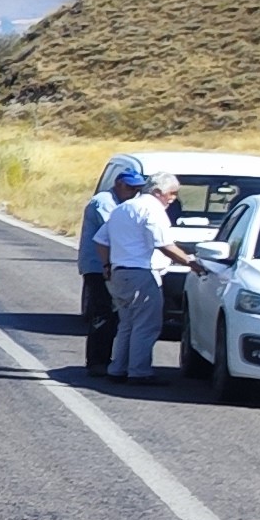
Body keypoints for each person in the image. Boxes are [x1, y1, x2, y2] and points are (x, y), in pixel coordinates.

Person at [100, 163, 196, 383]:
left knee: (127, 324)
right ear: (157, 192)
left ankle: (118, 368)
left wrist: (107, 266)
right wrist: (192, 263)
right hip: (141, 273)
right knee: (146, 325)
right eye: (171, 193)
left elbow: (100, 240)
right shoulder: (153, 210)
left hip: (119, 272)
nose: (173, 198)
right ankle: (139, 371)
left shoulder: (123, 208)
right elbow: (164, 245)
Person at [77, 155, 143, 373]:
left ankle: (107, 359)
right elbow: (115, 232)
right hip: (99, 266)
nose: (133, 192)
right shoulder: (104, 202)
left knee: (114, 314)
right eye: (130, 187)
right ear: (118, 184)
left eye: (137, 188)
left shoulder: (123, 204)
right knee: (102, 312)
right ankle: (97, 362)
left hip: (112, 264)